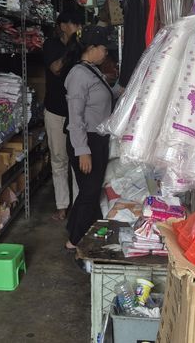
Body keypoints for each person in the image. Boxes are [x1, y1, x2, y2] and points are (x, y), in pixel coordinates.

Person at [63, 26, 119, 250]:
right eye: (104, 48)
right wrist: (82, 150)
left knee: (90, 191)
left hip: (97, 139)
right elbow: (75, 117)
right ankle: (75, 241)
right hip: (86, 141)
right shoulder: (78, 75)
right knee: (90, 192)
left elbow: (104, 97)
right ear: (92, 48)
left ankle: (73, 229)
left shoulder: (91, 70)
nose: (106, 53)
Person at [43, 10, 82, 221]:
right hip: (55, 110)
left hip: (77, 112)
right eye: (74, 23)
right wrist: (71, 50)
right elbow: (56, 69)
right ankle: (62, 205)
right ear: (63, 26)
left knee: (78, 159)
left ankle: (77, 205)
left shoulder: (81, 46)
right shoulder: (51, 45)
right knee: (59, 159)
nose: (78, 28)